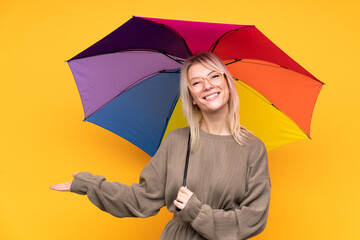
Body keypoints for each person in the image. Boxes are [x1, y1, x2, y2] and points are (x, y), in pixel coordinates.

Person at [50, 51, 271, 240]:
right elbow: (142, 200)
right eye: (196, 82)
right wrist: (91, 185)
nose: (208, 86)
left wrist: (195, 212)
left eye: (214, 76)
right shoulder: (176, 142)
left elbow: (254, 218)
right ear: (192, 97)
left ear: (227, 84)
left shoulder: (252, 148)